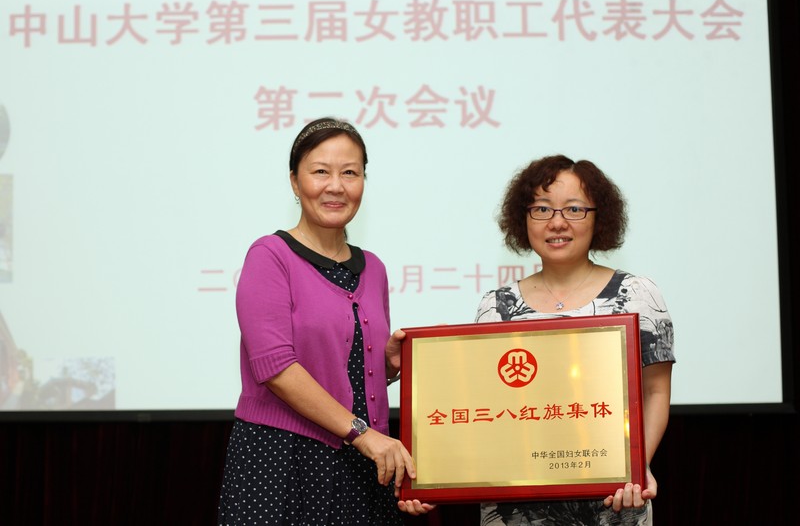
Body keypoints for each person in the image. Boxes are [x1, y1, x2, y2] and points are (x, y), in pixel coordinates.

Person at [218, 118, 433, 525]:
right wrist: (362, 434)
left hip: (362, 465)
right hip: (284, 461)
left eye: (350, 173)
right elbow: (275, 368)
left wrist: (388, 366)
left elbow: (343, 369)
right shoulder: (270, 256)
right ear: (294, 182)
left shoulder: (373, 268)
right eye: (320, 171)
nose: (336, 186)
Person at [475, 155, 675, 526]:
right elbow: (482, 407)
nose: (557, 222)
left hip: (615, 498)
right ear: (523, 218)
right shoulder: (495, 306)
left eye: (574, 209)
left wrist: (636, 466)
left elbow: (656, 392)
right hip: (516, 505)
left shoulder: (638, 294)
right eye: (541, 209)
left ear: (599, 217)